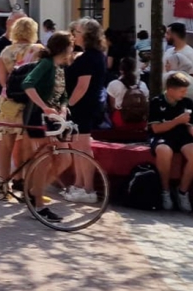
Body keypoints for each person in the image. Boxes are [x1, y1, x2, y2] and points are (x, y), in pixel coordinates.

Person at [21, 31, 75, 222]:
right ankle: (38, 205)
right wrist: (44, 106)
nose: (73, 48)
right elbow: (27, 83)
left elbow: (63, 94)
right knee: (44, 159)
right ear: (63, 47)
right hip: (38, 117)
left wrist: (62, 107)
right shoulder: (46, 64)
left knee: (65, 159)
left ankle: (35, 190)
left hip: (54, 119)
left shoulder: (59, 67)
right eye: (71, 44)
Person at [0, 17, 43, 193]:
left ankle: (2, 182)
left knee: (5, 143)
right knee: (28, 145)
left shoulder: (6, 52)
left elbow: (2, 81)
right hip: (31, 102)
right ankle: (26, 184)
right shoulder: (39, 50)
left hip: (9, 102)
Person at [63, 18, 108, 203]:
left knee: (83, 146)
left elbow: (82, 86)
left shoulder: (91, 57)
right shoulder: (85, 55)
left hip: (84, 106)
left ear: (88, 36)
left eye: (78, 32)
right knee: (76, 146)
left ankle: (88, 189)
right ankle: (79, 184)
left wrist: (68, 105)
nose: (74, 35)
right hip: (80, 106)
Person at [148, 72, 193, 212]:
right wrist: (177, 121)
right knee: (164, 150)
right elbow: (155, 128)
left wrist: (192, 128)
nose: (185, 93)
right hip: (163, 135)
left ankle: (182, 191)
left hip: (182, 136)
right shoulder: (156, 102)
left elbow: (189, 123)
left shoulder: (187, 102)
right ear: (170, 89)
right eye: (182, 91)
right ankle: (165, 190)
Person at [107, 57, 150, 128]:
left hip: (121, 121)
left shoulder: (113, 84)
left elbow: (112, 107)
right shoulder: (143, 85)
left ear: (121, 70)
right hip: (140, 121)